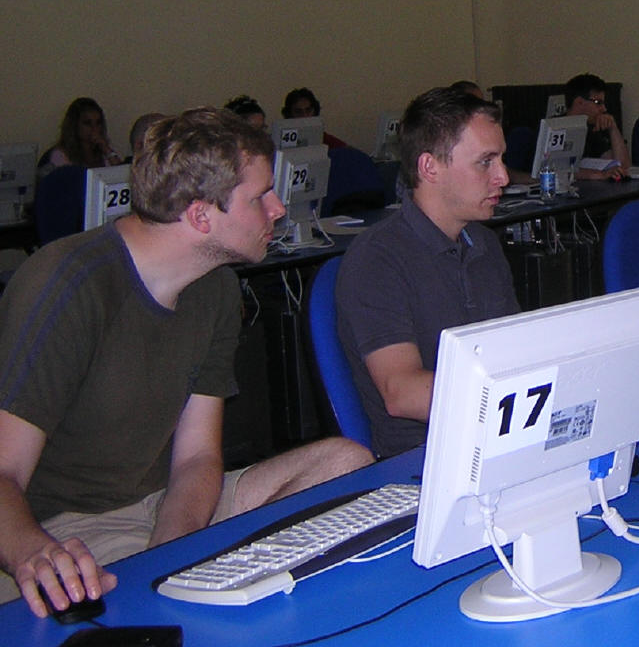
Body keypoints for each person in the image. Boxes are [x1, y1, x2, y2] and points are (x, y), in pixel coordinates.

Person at [0, 107, 373, 617]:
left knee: (346, 463)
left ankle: (216, 580)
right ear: (200, 216)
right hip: (74, 527)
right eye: (260, 197)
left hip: (168, 504)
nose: (278, 208)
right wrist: (31, 552)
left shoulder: (216, 286)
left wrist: (172, 554)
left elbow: (197, 458)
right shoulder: (66, 286)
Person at [336, 87, 520, 459]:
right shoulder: (377, 259)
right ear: (429, 167)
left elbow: (515, 352)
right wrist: (518, 401)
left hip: (499, 436)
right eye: (485, 162)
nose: (503, 176)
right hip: (426, 456)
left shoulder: (483, 243)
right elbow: (401, 393)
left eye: (501, 159)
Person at [564, 73, 631, 180]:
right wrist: (597, 175)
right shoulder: (552, 130)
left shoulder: (593, 128)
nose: (604, 109)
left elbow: (623, 166)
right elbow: (553, 170)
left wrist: (613, 128)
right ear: (579, 102)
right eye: (598, 102)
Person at [38, 98, 123, 176]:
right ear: (74, 125)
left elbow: (122, 175)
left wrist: (107, 149)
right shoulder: (60, 155)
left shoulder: (104, 153)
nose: (95, 128)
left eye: (98, 123)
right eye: (87, 123)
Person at [281, 87, 347, 150]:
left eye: (308, 110)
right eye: (298, 112)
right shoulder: (281, 141)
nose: (304, 116)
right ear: (289, 114)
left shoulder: (326, 140)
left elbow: (346, 151)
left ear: (315, 111)